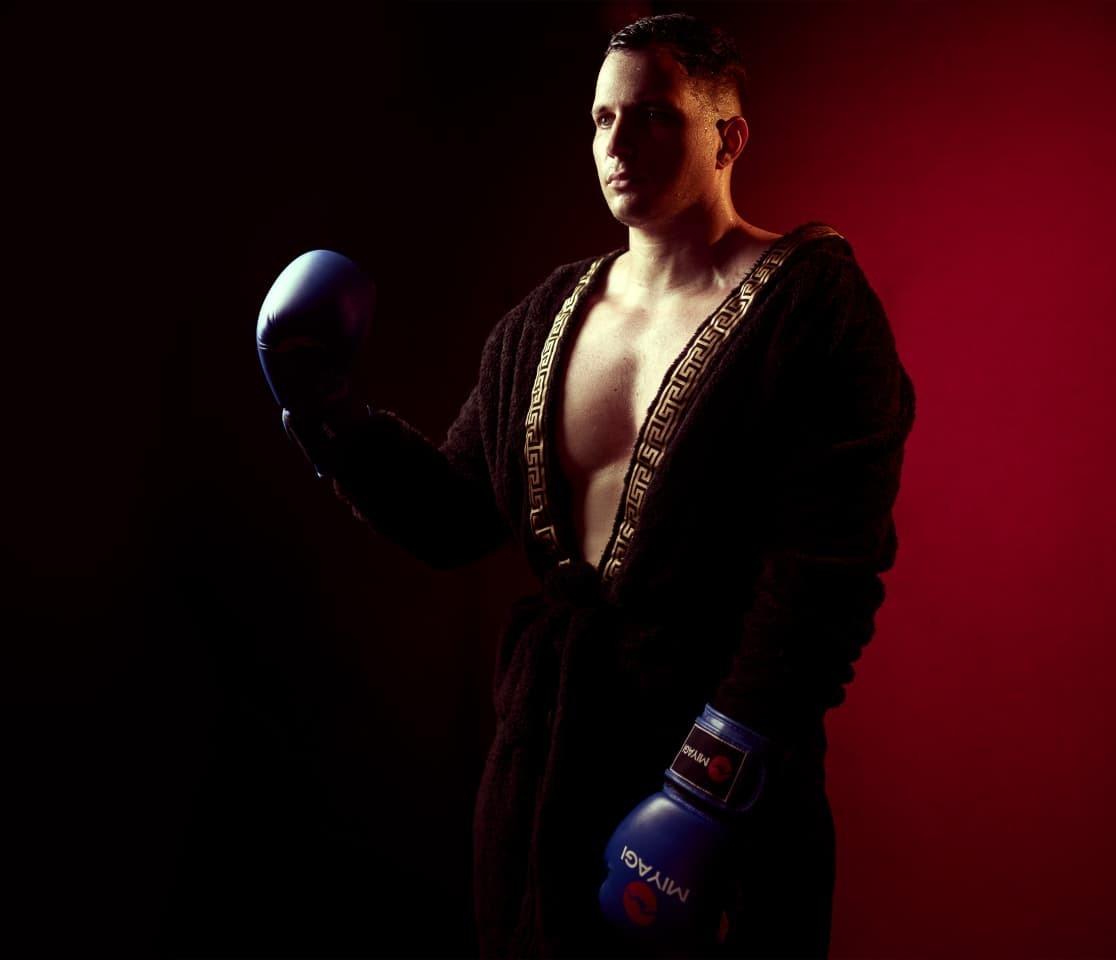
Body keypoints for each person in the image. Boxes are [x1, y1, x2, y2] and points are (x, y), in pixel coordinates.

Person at [257, 12, 915, 959]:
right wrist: (329, 415)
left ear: (728, 137)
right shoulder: (543, 318)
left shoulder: (813, 306)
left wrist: (710, 784)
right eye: (603, 119)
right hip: (546, 777)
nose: (617, 143)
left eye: (652, 116)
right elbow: (454, 518)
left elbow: (827, 570)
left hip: (721, 781)